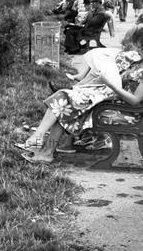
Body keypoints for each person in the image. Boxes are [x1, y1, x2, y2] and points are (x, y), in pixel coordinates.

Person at [20, 26, 143, 164]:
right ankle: (44, 147)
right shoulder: (138, 62)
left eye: (139, 46)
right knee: (63, 105)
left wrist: (110, 84)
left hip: (127, 113)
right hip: (115, 103)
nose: (137, 50)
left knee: (64, 101)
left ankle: (42, 144)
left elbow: (135, 100)